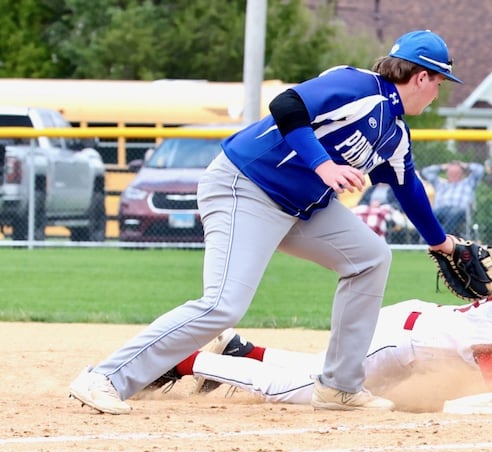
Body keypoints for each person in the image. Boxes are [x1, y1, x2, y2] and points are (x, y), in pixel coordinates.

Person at [68, 29, 464, 415]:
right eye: (439, 82)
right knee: (223, 304)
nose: (438, 92)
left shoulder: (394, 136)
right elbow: (287, 105)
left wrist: (440, 242)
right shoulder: (359, 86)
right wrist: (323, 165)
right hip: (246, 185)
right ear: (421, 76)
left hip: (297, 208)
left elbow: (408, 187)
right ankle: (105, 377)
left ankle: (340, 387)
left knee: (371, 257)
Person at [154, 251, 492, 411]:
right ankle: (187, 362)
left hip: (414, 330)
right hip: (397, 340)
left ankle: (243, 350)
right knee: (313, 392)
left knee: (313, 368)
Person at [420, 160, 488, 235]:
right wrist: (442, 167)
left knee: (454, 212)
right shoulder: (440, 184)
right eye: (451, 172)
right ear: (447, 173)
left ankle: (442, 237)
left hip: (460, 211)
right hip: (440, 210)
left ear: (462, 173)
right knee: (429, 214)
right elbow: (425, 172)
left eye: (456, 172)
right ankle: (428, 238)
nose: (454, 174)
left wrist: (465, 165)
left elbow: (480, 170)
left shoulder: (468, 183)